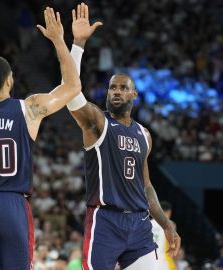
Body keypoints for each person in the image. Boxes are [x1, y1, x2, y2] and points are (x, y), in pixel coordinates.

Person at [0, 7, 81, 270]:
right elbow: (73, 87)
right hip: (13, 204)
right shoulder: (29, 108)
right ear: (10, 80)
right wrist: (59, 40)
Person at [65, 3, 181, 269]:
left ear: (133, 94)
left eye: (122, 88)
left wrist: (166, 225)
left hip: (139, 225)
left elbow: (147, 186)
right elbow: (71, 94)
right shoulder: (97, 122)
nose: (116, 91)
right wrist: (78, 45)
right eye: (112, 87)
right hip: (106, 221)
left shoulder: (144, 134)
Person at [151, 201, 177, 270]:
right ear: (169, 212)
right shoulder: (170, 225)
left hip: (149, 262)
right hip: (163, 263)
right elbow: (172, 247)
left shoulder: (148, 224)